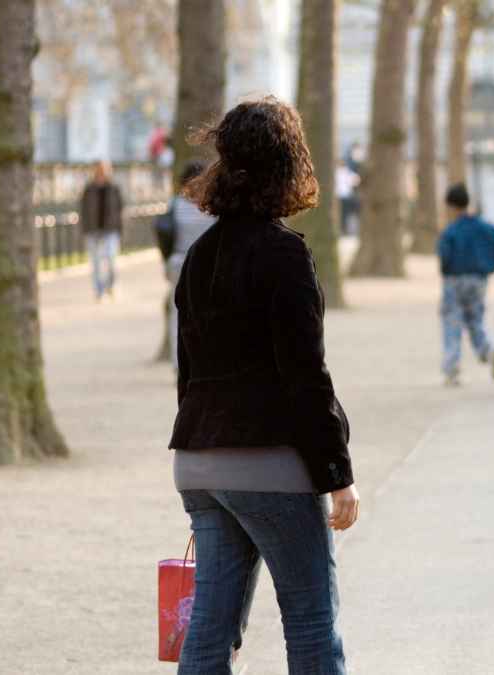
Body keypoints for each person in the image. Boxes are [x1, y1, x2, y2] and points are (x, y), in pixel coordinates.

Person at [169, 97, 358, 674]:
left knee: (210, 626)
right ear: (289, 164)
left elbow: (188, 372)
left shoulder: (198, 256)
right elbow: (305, 377)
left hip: (199, 462)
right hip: (268, 463)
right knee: (310, 621)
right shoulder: (285, 256)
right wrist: (338, 474)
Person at [437, 182, 494, 387]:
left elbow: (444, 256)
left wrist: (446, 271)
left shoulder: (450, 231)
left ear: (451, 206)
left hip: (454, 279)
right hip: (479, 279)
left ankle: (452, 369)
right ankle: (488, 350)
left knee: (452, 321)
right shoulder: (486, 228)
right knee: (476, 320)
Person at [164, 161, 217, 367]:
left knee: (177, 314)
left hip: (179, 262)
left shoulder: (176, 205)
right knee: (205, 313)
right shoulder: (213, 207)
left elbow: (166, 234)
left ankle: (179, 362)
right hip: (206, 264)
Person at [78, 160, 124, 301]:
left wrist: (120, 229)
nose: (101, 172)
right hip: (93, 230)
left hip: (111, 230)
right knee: (96, 262)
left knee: (111, 259)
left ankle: (110, 286)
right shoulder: (89, 188)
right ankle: (98, 291)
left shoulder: (114, 187)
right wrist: (84, 229)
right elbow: (83, 209)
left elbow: (120, 209)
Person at [336, 160, 360, 236]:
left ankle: (342, 229)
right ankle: (344, 229)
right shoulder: (347, 172)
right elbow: (356, 180)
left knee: (342, 214)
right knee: (345, 215)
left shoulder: (337, 172)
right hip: (346, 196)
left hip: (340, 197)